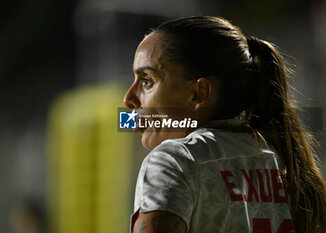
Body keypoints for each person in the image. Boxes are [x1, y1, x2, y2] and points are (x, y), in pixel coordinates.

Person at [123, 16, 326, 233]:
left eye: (147, 80)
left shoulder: (173, 160)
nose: (129, 98)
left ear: (199, 93)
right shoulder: (279, 162)